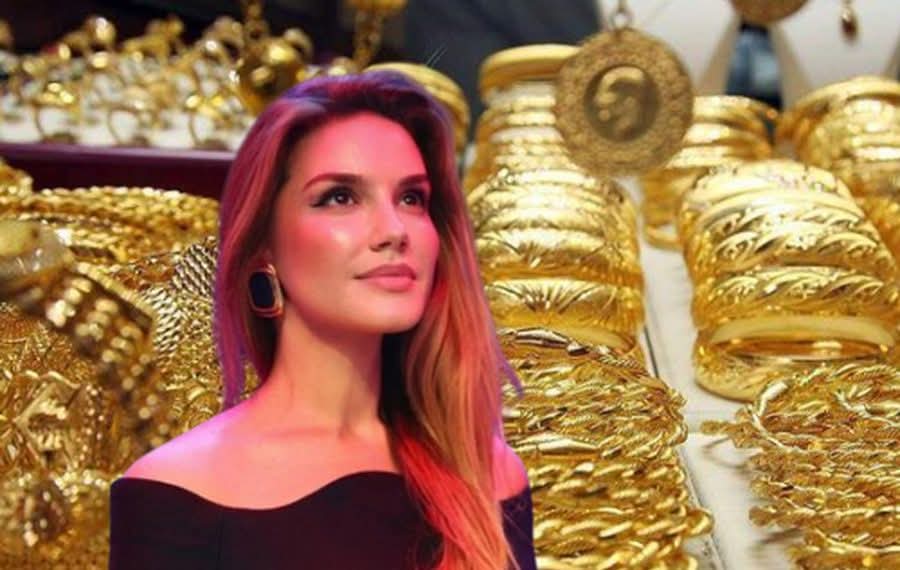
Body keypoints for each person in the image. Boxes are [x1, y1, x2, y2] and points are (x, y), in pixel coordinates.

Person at [107, 70, 537, 570]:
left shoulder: (486, 476)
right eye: (340, 197)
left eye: (411, 198)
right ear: (265, 243)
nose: (394, 230)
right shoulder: (175, 490)